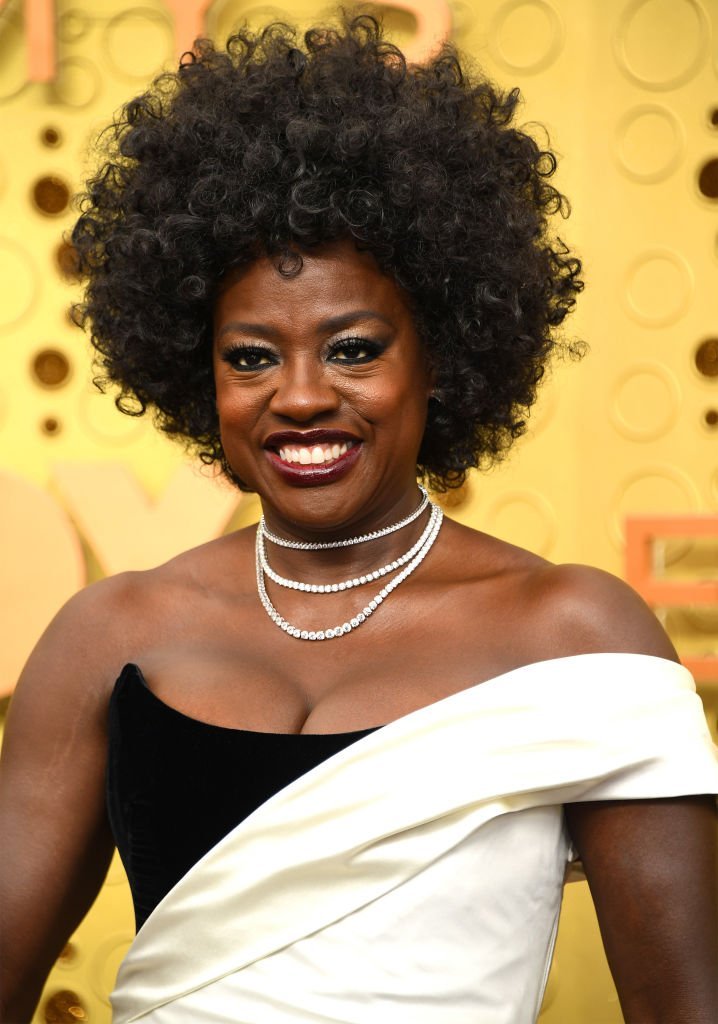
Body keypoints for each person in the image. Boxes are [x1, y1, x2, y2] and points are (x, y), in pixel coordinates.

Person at [1, 13, 717, 1024]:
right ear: (194, 372)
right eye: (250, 356)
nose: (297, 397)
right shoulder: (108, 638)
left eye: (353, 348)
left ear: (446, 353)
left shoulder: (575, 636)